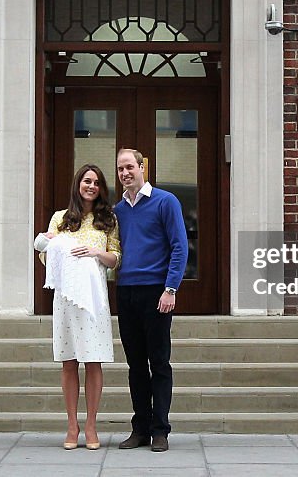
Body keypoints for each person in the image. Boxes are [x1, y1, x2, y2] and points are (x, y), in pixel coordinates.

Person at [35, 164, 119, 451]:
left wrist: (97, 252)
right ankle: (72, 425)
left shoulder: (108, 219)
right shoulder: (60, 218)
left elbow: (115, 258)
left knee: (93, 361)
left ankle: (92, 425)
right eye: (87, 181)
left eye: (96, 182)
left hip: (95, 299)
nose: (91, 186)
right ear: (78, 184)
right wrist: (55, 247)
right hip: (67, 298)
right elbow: (45, 257)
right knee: (69, 361)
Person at [114, 148, 187, 453]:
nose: (124, 173)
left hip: (156, 291)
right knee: (134, 365)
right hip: (126, 291)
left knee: (159, 362)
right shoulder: (118, 210)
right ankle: (140, 429)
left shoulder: (165, 201)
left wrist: (170, 289)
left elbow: (180, 247)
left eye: (129, 167)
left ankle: (160, 430)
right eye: (120, 169)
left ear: (142, 167)